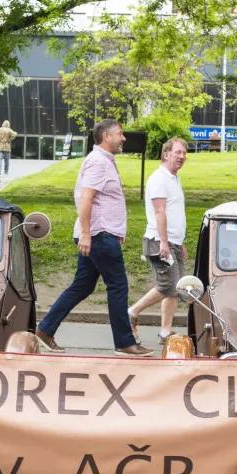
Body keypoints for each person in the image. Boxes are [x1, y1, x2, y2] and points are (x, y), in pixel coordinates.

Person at [35, 119, 153, 356]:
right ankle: (124, 342)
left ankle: (45, 330)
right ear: (106, 136)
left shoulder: (104, 161)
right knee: (118, 286)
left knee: (83, 286)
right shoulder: (98, 162)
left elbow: (101, 200)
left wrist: (113, 231)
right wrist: (88, 235)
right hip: (98, 235)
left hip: (101, 234)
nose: (124, 138)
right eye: (120, 133)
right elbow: (86, 198)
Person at [128, 138, 189, 346]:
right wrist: (164, 242)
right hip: (158, 240)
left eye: (184, 153)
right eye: (178, 152)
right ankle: (132, 312)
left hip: (173, 241)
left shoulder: (174, 178)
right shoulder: (158, 179)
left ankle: (165, 332)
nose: (182, 156)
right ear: (166, 154)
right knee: (168, 285)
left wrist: (179, 242)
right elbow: (159, 212)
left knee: (176, 287)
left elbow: (174, 212)